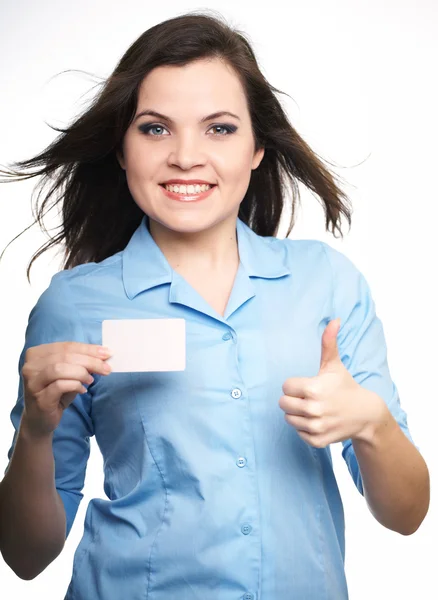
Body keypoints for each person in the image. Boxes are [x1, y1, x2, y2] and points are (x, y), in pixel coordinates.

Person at [0, 11, 430, 600]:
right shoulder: (74, 305)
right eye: (155, 129)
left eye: (219, 129)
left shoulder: (326, 284)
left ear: (257, 147)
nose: (185, 156)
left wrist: (372, 424)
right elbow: (25, 557)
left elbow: (406, 515)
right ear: (122, 149)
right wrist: (36, 434)